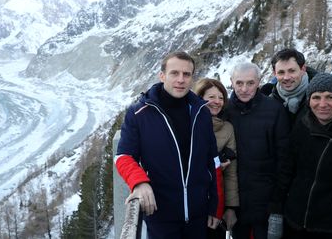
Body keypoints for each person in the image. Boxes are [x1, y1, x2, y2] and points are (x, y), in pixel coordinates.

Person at [115, 51, 219, 238]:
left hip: (199, 214)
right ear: (162, 75)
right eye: (174, 73)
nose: (181, 79)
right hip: (161, 215)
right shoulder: (140, 113)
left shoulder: (201, 112)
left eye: (186, 74)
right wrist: (139, 182)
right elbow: (123, 156)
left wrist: (215, 206)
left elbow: (213, 161)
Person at [269, 73, 332, 239]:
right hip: (293, 220)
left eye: (330, 97)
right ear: (309, 101)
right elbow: (286, 171)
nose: (322, 104)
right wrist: (276, 212)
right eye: (316, 97)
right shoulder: (302, 125)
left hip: (329, 227)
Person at [224, 62, 290, 239]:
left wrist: (277, 202)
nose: (244, 89)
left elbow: (284, 158)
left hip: (266, 201)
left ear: (258, 82)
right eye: (239, 83)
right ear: (231, 82)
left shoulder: (274, 109)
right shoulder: (225, 110)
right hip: (235, 201)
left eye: (250, 83)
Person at [193, 78, 239, 238]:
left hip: (215, 203)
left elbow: (231, 172)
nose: (217, 102)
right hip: (190, 202)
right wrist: (213, 167)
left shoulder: (227, 128)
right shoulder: (188, 122)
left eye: (220, 98)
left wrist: (230, 207)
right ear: (200, 97)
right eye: (211, 97)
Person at [266, 48, 318, 124]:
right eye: (281, 72)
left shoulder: (322, 97)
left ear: (303, 69)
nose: (286, 77)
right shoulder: (270, 104)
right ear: (274, 74)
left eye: (292, 71)